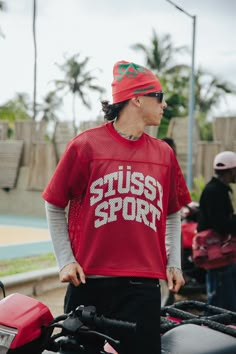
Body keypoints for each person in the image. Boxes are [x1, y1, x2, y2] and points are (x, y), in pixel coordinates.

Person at [42, 60, 191, 354]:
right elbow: (54, 202)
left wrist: (174, 262)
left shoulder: (163, 154)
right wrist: (65, 259)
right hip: (90, 283)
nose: (164, 105)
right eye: (158, 97)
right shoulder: (85, 146)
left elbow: (172, 212)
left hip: (143, 288)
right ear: (137, 98)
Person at [197, 150, 236, 311]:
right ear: (232, 170)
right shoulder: (216, 191)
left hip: (219, 254)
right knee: (219, 300)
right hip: (218, 255)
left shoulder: (216, 189)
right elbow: (220, 224)